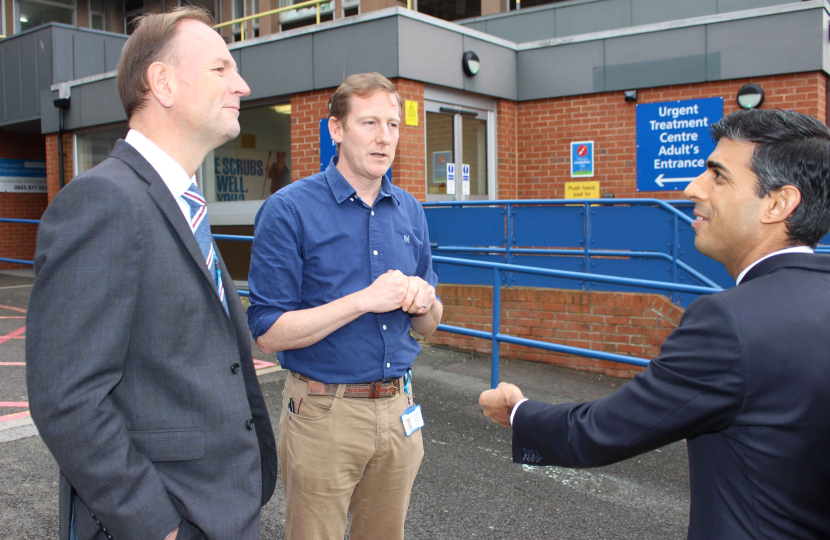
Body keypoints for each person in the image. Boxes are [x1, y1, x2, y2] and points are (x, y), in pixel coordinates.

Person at [479, 109, 830, 540]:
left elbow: (602, 431)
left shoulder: (728, 321)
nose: (692, 188)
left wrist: (517, 412)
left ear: (778, 203)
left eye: (718, 176)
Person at [26, 7, 277, 540]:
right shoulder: (103, 201)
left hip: (222, 508)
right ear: (161, 82)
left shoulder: (180, 200)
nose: (242, 84)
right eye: (221, 69)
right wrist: (155, 526)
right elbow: (67, 398)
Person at [247, 72, 442, 540]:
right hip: (322, 413)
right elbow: (269, 332)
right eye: (369, 122)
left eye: (393, 125)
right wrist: (363, 301)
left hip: (399, 408)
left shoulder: (410, 211)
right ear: (336, 129)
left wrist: (425, 301)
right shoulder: (289, 210)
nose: (384, 138)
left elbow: (430, 326)